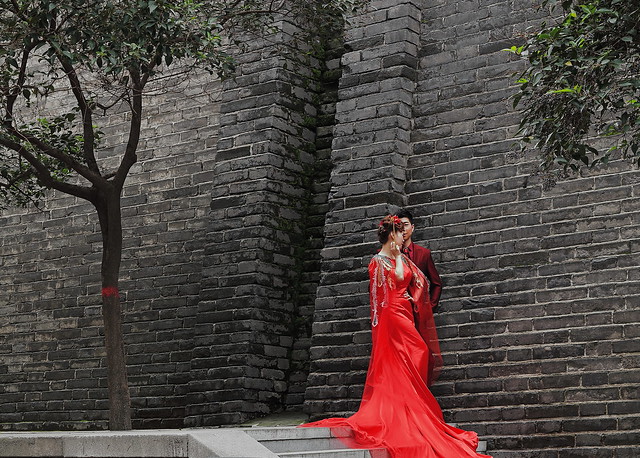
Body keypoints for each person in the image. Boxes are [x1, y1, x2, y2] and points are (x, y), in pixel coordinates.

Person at [300, 215, 491, 458]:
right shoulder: (378, 262)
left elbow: (420, 280)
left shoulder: (401, 258)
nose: (404, 238)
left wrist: (416, 297)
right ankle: (401, 410)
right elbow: (378, 301)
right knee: (407, 355)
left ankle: (409, 406)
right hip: (391, 316)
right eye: (400, 234)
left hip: (404, 311)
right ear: (392, 235)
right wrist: (383, 326)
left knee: (418, 353)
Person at [395, 209, 442, 310]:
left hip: (418, 310)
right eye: (399, 225)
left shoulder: (424, 254)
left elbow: (437, 284)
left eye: (406, 224)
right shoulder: (387, 253)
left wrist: (429, 307)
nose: (402, 228)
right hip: (398, 310)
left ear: (412, 228)